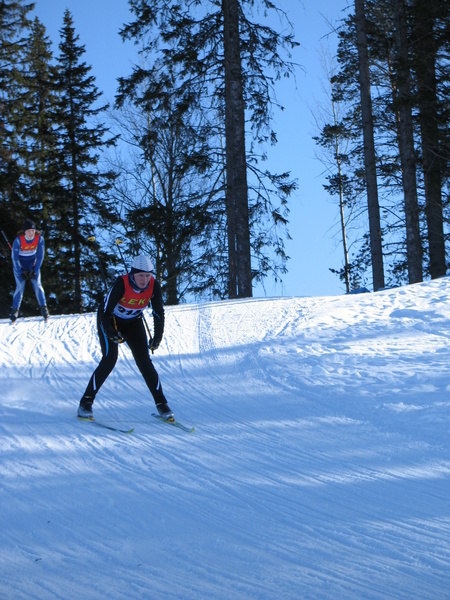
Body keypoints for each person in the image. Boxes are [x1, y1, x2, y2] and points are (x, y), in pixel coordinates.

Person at [77, 253, 174, 420]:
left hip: (133, 322)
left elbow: (158, 313)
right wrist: (111, 332)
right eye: (141, 275)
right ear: (132, 274)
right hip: (111, 320)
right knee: (110, 359)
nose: (144, 280)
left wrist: (157, 337)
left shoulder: (153, 286)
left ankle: (162, 403)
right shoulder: (121, 283)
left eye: (148, 276)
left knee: (144, 361)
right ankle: (86, 402)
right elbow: (105, 313)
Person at [10, 218, 49, 322]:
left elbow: (40, 256)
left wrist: (35, 270)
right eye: (28, 231)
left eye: (32, 231)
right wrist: (20, 271)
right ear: (24, 232)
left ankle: (44, 308)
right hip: (20, 266)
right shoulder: (18, 240)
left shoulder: (39, 239)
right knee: (20, 286)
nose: (31, 233)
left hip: (33, 265)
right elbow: (15, 258)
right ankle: (14, 310)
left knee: (37, 285)